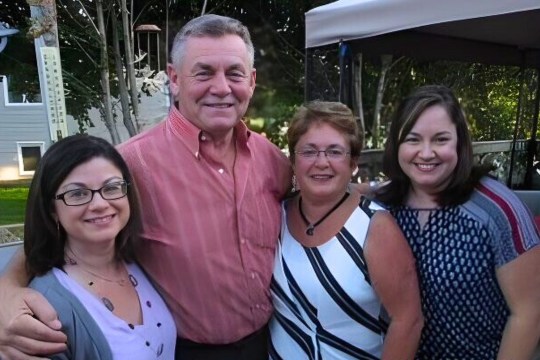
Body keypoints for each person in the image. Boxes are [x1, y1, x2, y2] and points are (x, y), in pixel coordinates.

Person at [0, 15, 291, 360]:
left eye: (234, 73)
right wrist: (5, 292)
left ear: (252, 80)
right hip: (182, 351)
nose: (222, 87)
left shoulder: (272, 159)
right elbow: (58, 229)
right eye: (204, 72)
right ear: (174, 79)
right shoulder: (130, 165)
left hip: (274, 342)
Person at [376, 85, 540, 360]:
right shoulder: (385, 207)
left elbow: (530, 312)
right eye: (413, 140)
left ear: (460, 143)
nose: (426, 153)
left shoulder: (497, 209)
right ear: (397, 144)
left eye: (440, 139)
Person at [269, 101, 423, 359]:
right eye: (309, 151)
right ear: (293, 160)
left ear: (353, 162)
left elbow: (408, 322)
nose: (322, 162)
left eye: (334, 152)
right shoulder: (276, 215)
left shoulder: (374, 226)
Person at [24, 135, 176, 359]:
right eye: (77, 194)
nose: (100, 204)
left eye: (112, 187)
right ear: (52, 209)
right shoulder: (47, 307)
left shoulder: (142, 261)